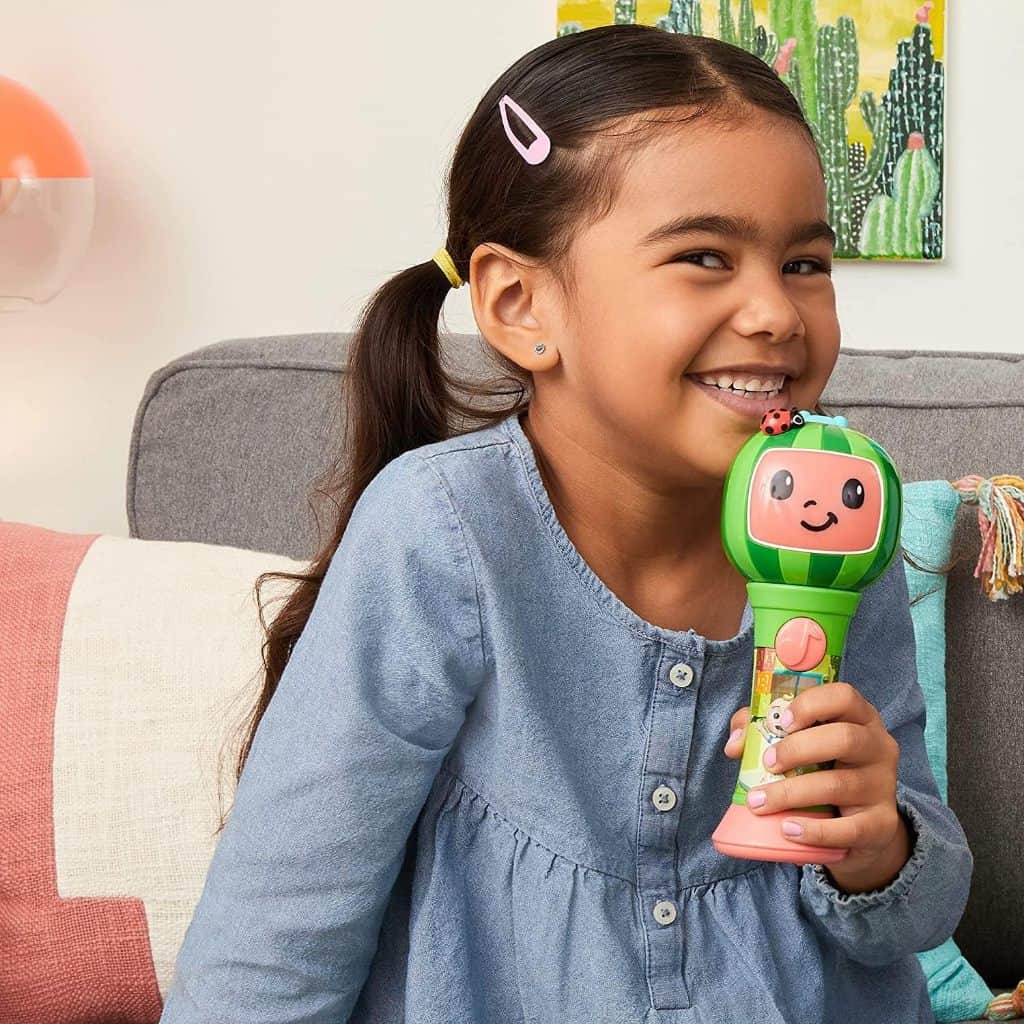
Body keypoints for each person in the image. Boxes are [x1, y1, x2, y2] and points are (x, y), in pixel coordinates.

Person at [159, 23, 972, 1024]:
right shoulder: (443, 533)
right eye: (705, 256)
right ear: (520, 303)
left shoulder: (841, 518)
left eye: (805, 263)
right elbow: (276, 935)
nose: (775, 312)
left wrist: (877, 845)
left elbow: (918, 916)